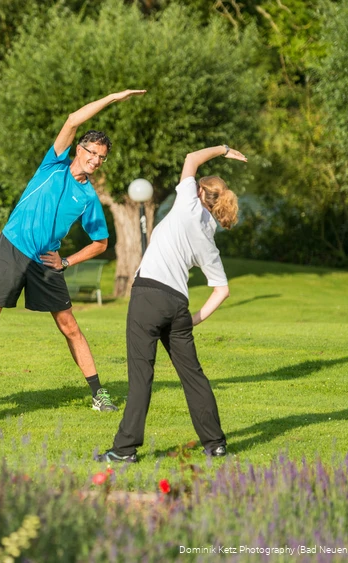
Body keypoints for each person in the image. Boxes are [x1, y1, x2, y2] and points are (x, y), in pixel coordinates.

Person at [0, 89, 148, 413]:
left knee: (69, 326)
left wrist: (67, 260)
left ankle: (98, 393)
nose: (95, 160)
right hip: (12, 249)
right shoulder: (54, 164)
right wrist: (112, 98)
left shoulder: (89, 197)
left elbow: (101, 243)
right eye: (91, 153)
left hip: (46, 262)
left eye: (101, 157)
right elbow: (73, 119)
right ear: (79, 149)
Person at [97, 144, 247, 463]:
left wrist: (223, 149)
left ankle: (124, 450)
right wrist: (192, 320)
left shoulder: (186, 204)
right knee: (193, 376)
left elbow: (191, 158)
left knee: (141, 376)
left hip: (148, 295)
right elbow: (222, 291)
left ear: (199, 191)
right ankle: (216, 443)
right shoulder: (209, 236)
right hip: (178, 304)